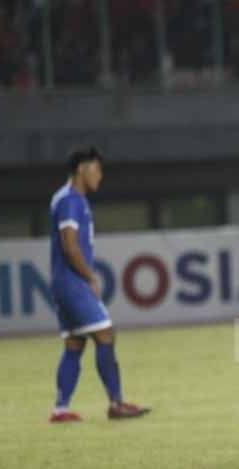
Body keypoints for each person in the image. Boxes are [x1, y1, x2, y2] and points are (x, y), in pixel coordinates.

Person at [47, 145, 150, 423]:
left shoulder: (65, 198)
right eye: (97, 168)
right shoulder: (71, 200)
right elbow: (70, 245)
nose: (100, 175)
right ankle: (116, 403)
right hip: (72, 282)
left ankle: (60, 408)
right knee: (105, 334)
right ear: (82, 168)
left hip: (61, 282)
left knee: (75, 343)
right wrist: (89, 276)